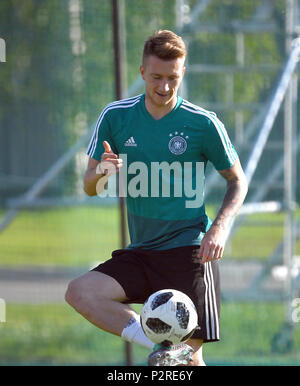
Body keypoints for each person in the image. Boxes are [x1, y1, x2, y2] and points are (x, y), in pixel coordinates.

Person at [65, 30, 248, 366]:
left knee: (189, 362)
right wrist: (103, 172)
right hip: (142, 252)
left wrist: (219, 229)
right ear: (141, 73)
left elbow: (238, 181)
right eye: (156, 78)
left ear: (182, 74)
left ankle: (170, 354)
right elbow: (89, 185)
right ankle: (156, 345)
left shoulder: (203, 123)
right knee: (80, 292)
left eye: (172, 78)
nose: (164, 87)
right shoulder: (115, 117)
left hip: (189, 251)